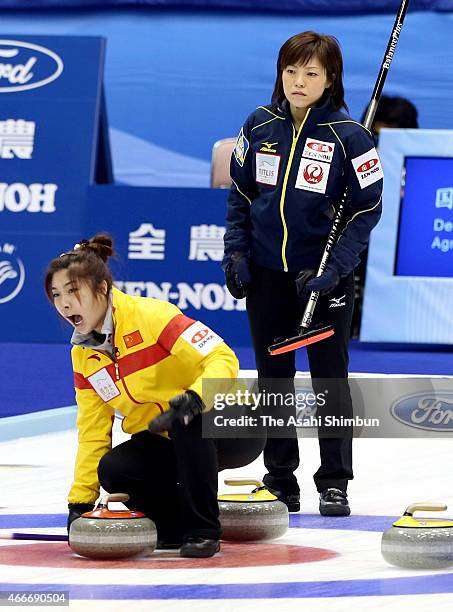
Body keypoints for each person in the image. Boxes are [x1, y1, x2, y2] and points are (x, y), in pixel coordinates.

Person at [223, 31, 383, 516]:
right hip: (268, 276)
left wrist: (335, 269)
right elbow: (241, 196)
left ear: (330, 78)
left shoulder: (351, 138)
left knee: (329, 381)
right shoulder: (259, 124)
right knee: (274, 378)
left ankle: (334, 482)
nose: (298, 81)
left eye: (311, 73)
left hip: (322, 280)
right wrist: (237, 254)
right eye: (291, 71)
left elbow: (366, 208)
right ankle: (280, 479)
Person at [45, 234, 265, 558]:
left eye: (73, 291)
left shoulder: (152, 316)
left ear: (102, 288)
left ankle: (203, 529)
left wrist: (195, 398)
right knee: (113, 469)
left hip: (232, 420)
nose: (64, 303)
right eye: (56, 295)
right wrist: (79, 501)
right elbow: (93, 432)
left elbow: (223, 357)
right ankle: (172, 527)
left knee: (187, 421)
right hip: (169, 437)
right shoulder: (84, 355)